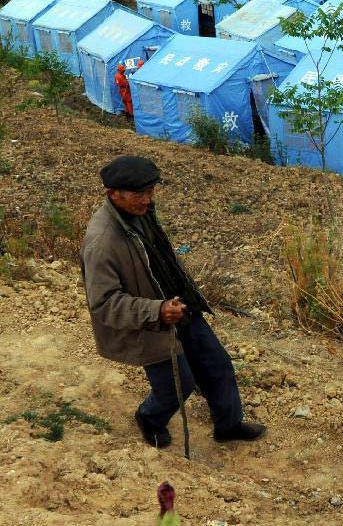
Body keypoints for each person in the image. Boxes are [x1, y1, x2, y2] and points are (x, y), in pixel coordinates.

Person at [81, 156, 266, 448]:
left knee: (217, 365)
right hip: (152, 322)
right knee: (177, 386)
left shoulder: (141, 212)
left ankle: (228, 426)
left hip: (180, 306)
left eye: (151, 191)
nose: (147, 200)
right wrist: (157, 310)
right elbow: (104, 303)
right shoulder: (102, 241)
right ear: (112, 193)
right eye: (139, 194)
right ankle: (149, 418)